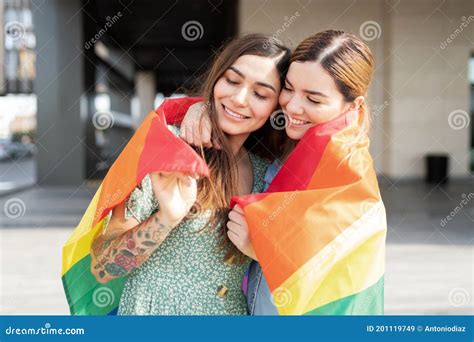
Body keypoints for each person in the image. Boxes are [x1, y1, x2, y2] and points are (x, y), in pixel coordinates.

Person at [179, 30, 380, 315]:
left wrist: (259, 249)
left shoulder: (347, 177)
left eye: (314, 99)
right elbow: (239, 109)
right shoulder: (284, 140)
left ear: (354, 105)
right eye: (288, 88)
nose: (293, 106)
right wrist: (202, 109)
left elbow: (339, 287)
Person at [89, 33, 291, 315]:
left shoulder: (266, 175)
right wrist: (166, 218)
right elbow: (102, 269)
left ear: (275, 108)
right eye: (232, 80)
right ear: (217, 78)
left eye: (260, 94)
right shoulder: (165, 146)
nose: (239, 98)